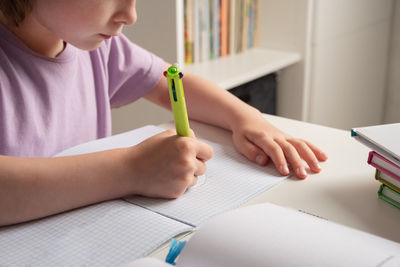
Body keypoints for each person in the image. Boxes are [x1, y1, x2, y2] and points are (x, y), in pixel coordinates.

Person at [0, 0, 328, 226]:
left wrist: (245, 118)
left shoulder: (97, 48)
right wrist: (130, 170)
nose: (130, 15)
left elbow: (166, 82)